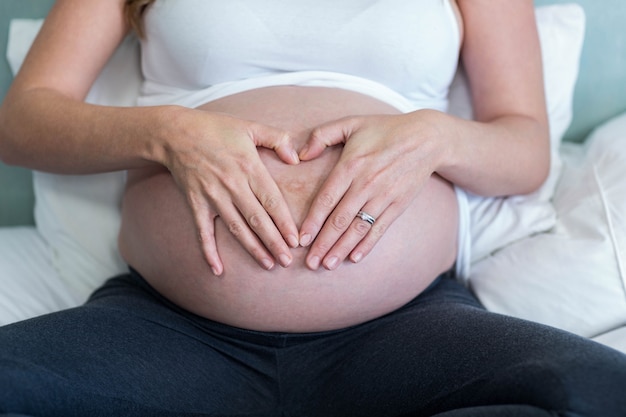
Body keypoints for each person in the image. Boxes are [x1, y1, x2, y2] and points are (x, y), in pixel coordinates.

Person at [0, 0, 625, 415]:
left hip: (411, 331)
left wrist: (437, 135)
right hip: (160, 329)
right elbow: (22, 121)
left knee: (595, 391)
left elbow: (526, 148)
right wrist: (166, 132)